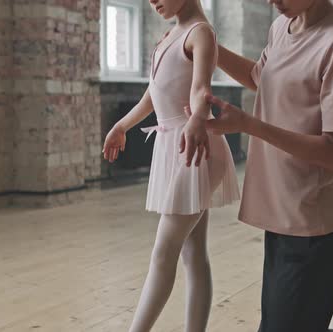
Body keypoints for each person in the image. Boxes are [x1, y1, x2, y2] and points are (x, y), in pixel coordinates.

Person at [188, 0, 333, 330]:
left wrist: (250, 124)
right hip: (282, 218)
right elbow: (261, 77)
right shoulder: (281, 29)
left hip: (317, 227)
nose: (272, 1)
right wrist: (209, 48)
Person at [101, 0, 240, 331]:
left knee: (164, 253)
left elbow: (201, 88)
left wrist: (196, 117)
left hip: (195, 148)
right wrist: (122, 125)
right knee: (193, 254)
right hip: (176, 146)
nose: (152, 0)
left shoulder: (201, 33)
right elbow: (153, 94)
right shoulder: (169, 35)